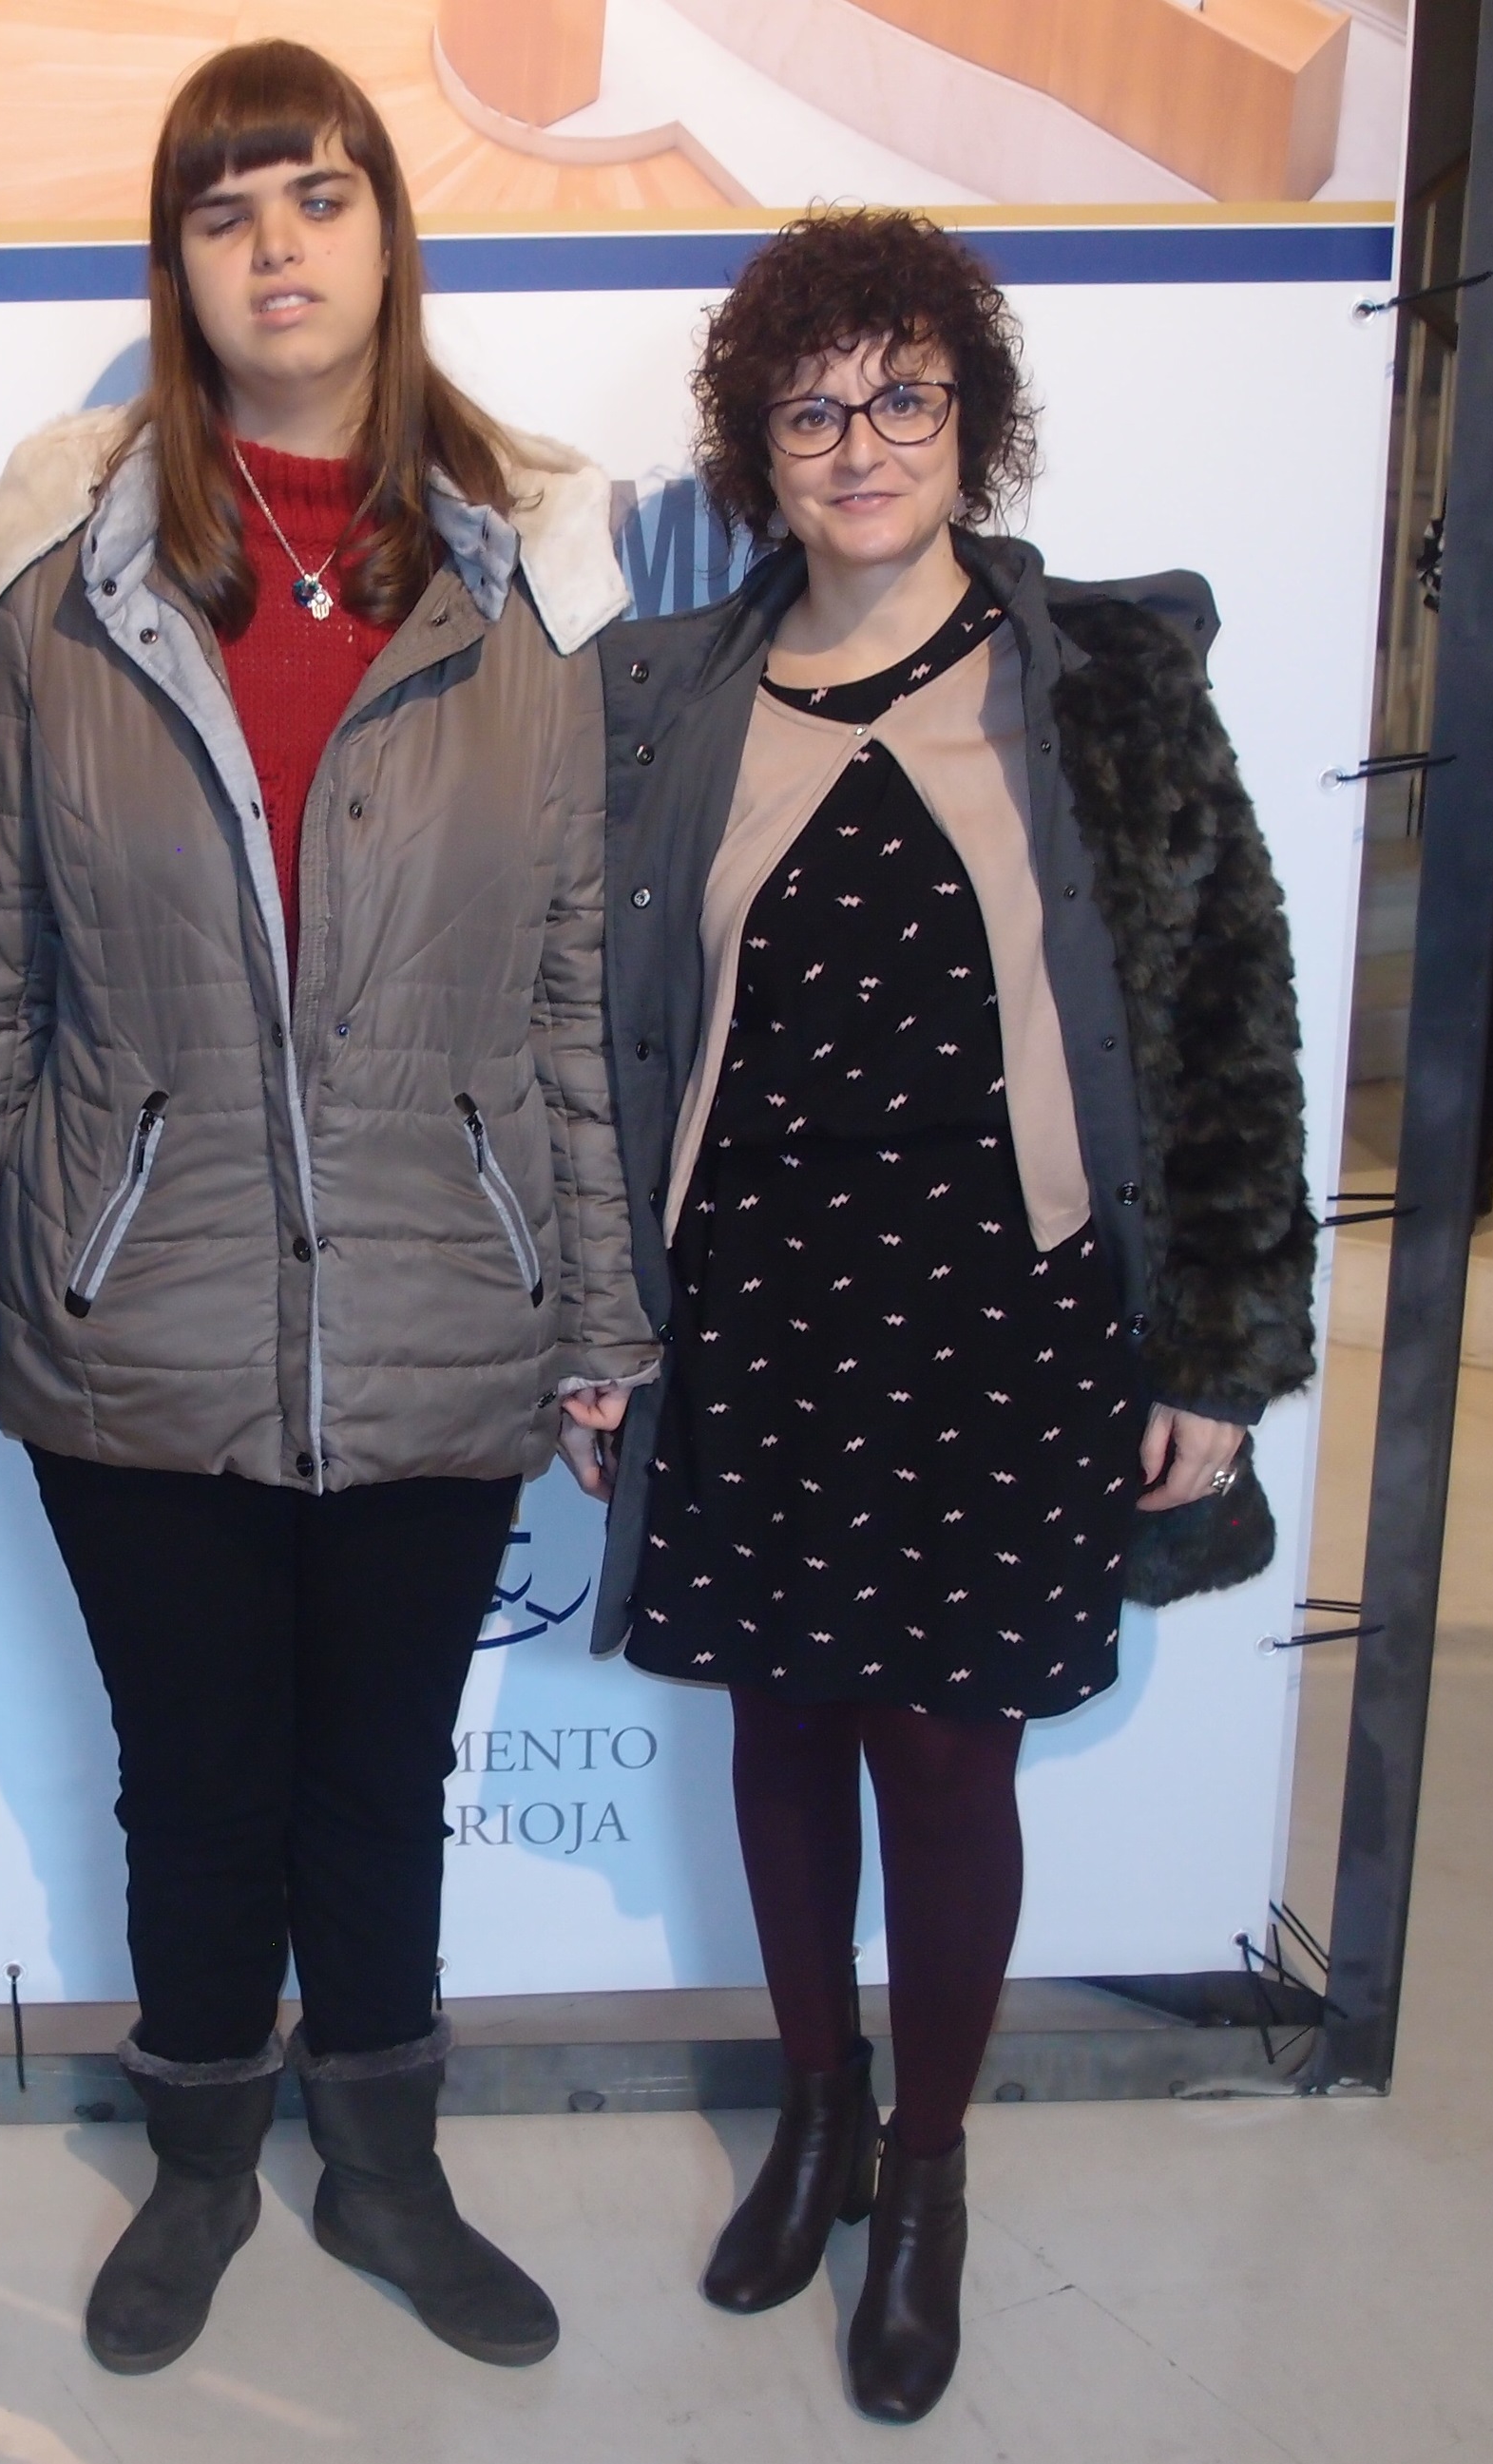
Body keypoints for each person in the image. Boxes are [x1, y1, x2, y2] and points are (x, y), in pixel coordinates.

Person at [0, 38, 655, 2378]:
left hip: (449, 1292)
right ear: (176, 262)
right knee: (194, 1781)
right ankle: (200, 2159)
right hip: (137, 1315)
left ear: (384, 237)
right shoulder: (54, 590)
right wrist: (21, 1262)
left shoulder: (523, 586)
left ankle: (386, 2164)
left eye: (318, 197)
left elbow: (569, 989)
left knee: (375, 1782)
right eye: (225, 208)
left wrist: (596, 1308)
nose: (275, 248)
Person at [591, 209, 1312, 2424]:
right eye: (811, 407)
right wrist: (600, 1315)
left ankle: (924, 2172)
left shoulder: (1107, 682)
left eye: (903, 394)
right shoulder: (661, 697)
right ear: (755, 447)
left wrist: (1219, 1352)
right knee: (781, 1727)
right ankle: (811, 2104)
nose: (861, 442)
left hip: (1011, 1317)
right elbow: (597, 1029)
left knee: (940, 1747)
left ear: (970, 416)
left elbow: (1229, 1015)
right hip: (756, 1309)